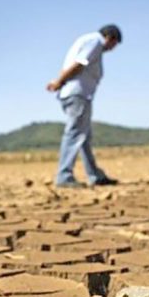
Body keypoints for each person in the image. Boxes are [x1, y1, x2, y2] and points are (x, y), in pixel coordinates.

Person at [46, 24, 122, 188]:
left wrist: (59, 82)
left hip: (75, 93)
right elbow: (79, 63)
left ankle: (95, 175)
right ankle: (64, 176)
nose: (112, 49)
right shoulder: (95, 42)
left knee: (83, 137)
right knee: (74, 134)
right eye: (114, 45)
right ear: (110, 37)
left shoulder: (86, 41)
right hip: (78, 94)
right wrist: (59, 82)